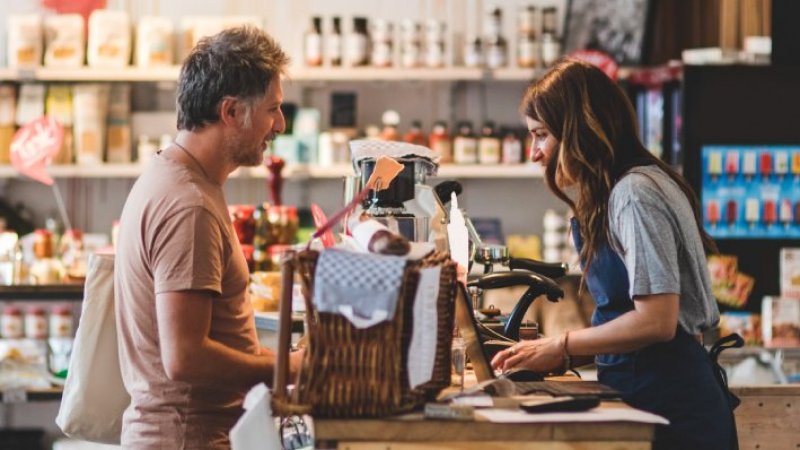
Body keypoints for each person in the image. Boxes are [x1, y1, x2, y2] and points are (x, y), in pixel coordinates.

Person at [491, 59, 735, 450]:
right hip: (647, 392)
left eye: (541, 135)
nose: (535, 153)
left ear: (579, 132)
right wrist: (560, 355)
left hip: (672, 407)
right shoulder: (627, 189)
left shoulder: (634, 194)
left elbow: (657, 321)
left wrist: (562, 345)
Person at [115, 26, 300, 449]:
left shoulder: (175, 178)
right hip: (185, 437)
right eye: (272, 109)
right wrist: (289, 368)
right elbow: (185, 357)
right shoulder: (189, 206)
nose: (279, 124)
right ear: (232, 112)